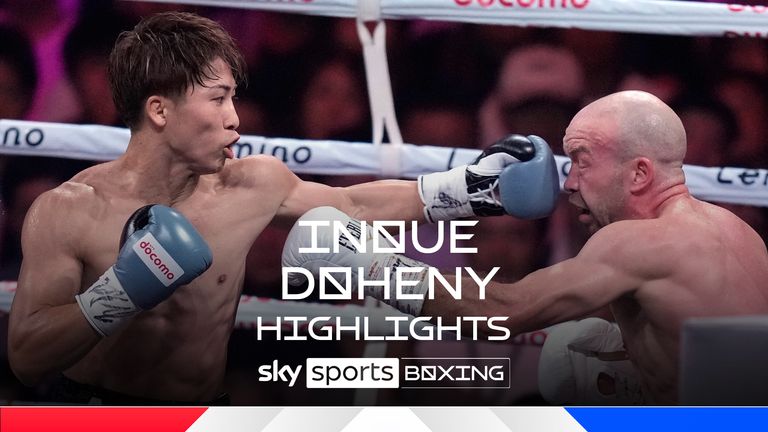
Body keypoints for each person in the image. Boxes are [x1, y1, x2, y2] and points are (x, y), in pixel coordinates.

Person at [7, 11, 554, 404]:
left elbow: (354, 202)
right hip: (92, 411)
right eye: (217, 98)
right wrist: (119, 291)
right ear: (159, 110)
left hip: (205, 413)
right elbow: (29, 358)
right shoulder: (69, 210)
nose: (235, 119)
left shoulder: (250, 183)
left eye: (234, 99)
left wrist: (475, 189)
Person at [284, 90, 768, 404]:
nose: (569, 182)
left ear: (639, 172)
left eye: (581, 161)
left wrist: (371, 264)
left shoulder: (636, 242)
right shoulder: (737, 232)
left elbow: (506, 311)